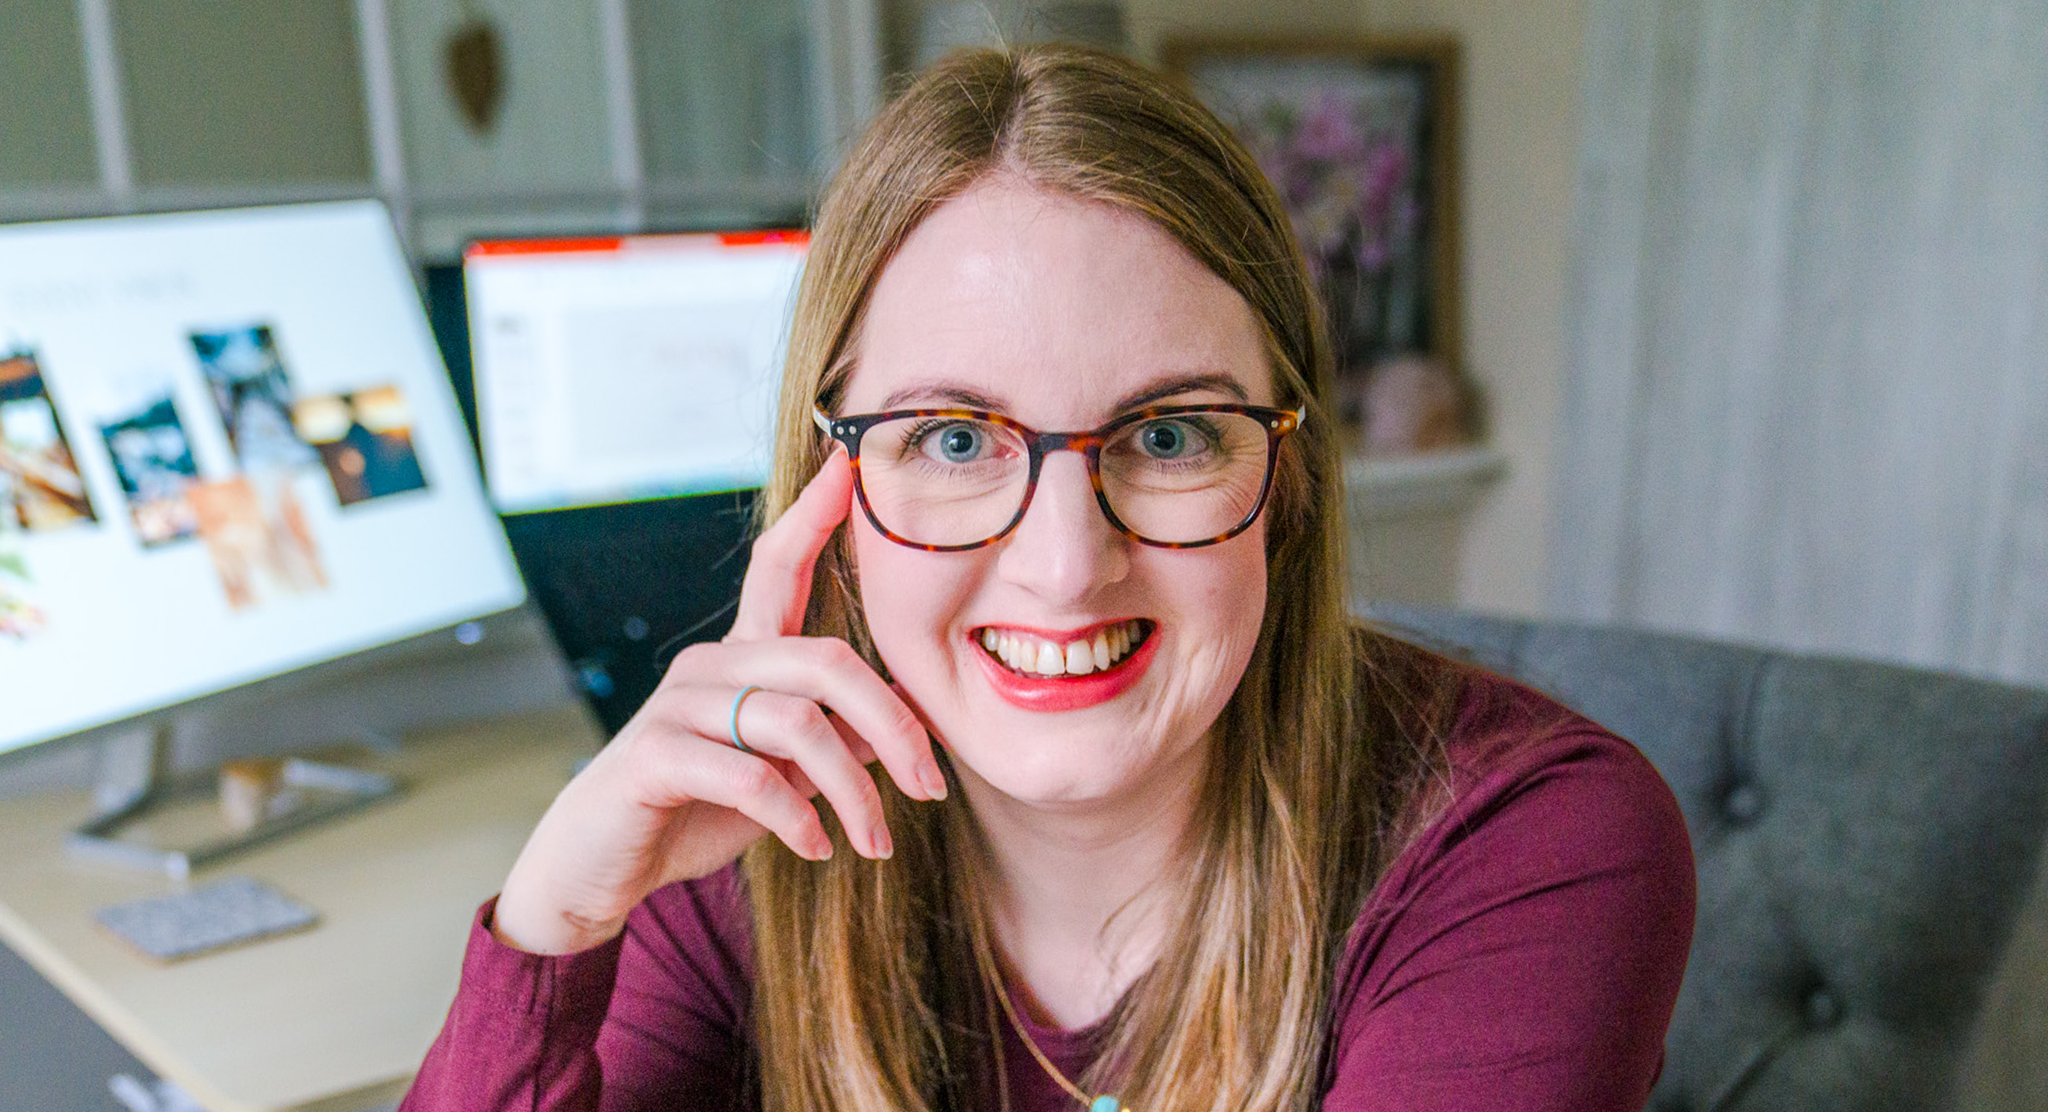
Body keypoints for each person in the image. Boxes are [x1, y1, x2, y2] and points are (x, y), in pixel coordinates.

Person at [400, 45, 1694, 1112]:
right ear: (831, 497)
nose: (1068, 567)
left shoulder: (1530, 845)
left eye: (1169, 436)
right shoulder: (736, 848)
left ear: (1288, 480)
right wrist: (552, 925)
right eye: (956, 442)